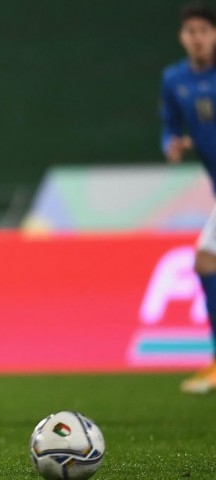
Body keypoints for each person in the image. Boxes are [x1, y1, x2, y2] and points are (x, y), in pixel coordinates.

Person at [160, 2, 216, 394]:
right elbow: (170, 126)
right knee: (207, 262)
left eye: (204, 30)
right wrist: (173, 145)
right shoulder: (174, 79)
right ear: (182, 36)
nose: (197, 38)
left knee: (207, 260)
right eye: (190, 31)